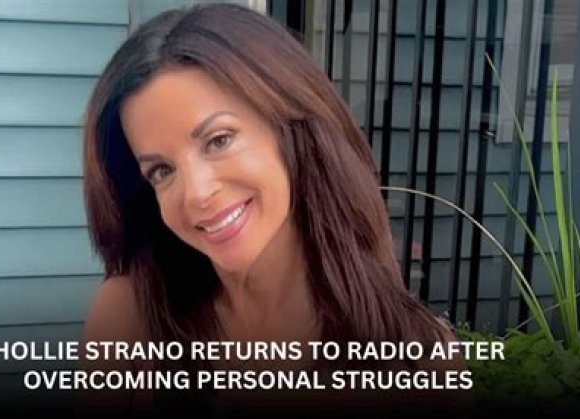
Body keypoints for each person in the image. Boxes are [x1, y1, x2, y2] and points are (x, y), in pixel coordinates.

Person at [80, 3, 470, 417]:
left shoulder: (418, 358)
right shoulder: (129, 320)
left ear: (292, 131)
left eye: (218, 140)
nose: (196, 194)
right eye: (161, 171)